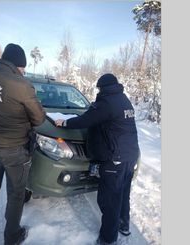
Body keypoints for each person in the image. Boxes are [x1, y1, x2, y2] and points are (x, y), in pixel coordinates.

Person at [55, 74, 140, 245]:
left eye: (99, 89)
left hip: (115, 158)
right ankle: (123, 225)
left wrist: (64, 123)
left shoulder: (107, 102)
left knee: (109, 200)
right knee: (123, 194)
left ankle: (108, 239)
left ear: (102, 88)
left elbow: (86, 120)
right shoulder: (123, 99)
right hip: (129, 155)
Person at [0, 43, 46, 245]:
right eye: (23, 67)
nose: (24, 71)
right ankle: (12, 236)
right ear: (17, 64)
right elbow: (39, 119)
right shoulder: (21, 85)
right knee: (16, 194)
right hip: (15, 150)